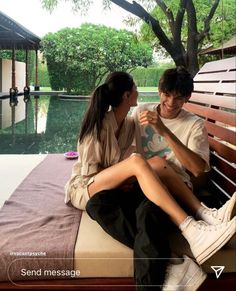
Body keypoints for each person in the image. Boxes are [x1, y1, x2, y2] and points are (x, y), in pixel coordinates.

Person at [64, 71, 236, 290]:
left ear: (188, 98)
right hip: (141, 184)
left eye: (179, 97)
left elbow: (196, 170)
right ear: (159, 91)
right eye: (167, 94)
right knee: (97, 204)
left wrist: (164, 131)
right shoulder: (140, 112)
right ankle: (173, 261)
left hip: (173, 187)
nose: (171, 102)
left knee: (147, 213)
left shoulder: (194, 125)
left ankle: (155, 278)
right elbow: (113, 135)